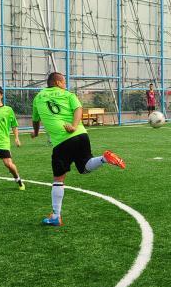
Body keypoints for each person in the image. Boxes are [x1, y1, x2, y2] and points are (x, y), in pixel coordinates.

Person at [31, 72, 126, 226]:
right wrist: (75, 126)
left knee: (58, 179)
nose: (65, 84)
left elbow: (35, 119)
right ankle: (104, 158)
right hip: (81, 135)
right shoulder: (69, 95)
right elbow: (78, 110)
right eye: (63, 82)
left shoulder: (38, 98)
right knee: (84, 167)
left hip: (62, 141)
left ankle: (56, 216)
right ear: (57, 82)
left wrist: (35, 133)